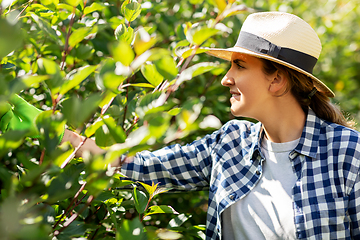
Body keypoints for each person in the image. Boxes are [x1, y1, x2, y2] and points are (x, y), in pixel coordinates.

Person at [2, 11, 360, 240]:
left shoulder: (346, 153)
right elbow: (140, 167)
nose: (226, 78)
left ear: (276, 80)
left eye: (239, 66)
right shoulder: (231, 144)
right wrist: (52, 130)